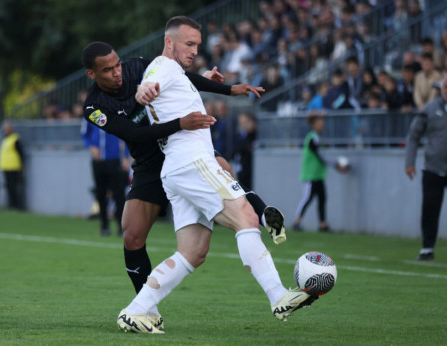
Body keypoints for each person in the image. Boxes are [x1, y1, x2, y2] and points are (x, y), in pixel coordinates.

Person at [117, 16, 317, 334]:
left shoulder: (176, 74)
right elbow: (150, 83)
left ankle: (135, 311)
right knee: (246, 217)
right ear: (169, 42)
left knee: (192, 252)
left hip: (177, 169)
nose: (195, 50)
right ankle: (279, 296)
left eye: (197, 44)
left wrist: (207, 80)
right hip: (194, 164)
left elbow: (170, 86)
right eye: (189, 43)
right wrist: (145, 90)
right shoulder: (161, 67)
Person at [82, 41, 286, 329]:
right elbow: (135, 135)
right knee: (132, 235)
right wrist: (181, 122)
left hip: (180, 148)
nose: (117, 72)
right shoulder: (94, 107)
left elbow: (179, 75)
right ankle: (146, 309)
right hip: (150, 163)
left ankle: (263, 214)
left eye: (117, 64)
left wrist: (228, 89)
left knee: (224, 170)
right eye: (108, 69)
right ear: (92, 74)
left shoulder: (139, 66)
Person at [405, 75, 447, 261]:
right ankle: (427, 248)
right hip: (433, 169)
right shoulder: (430, 108)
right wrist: (409, 162)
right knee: (430, 210)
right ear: (441, 88)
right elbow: (413, 135)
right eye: (446, 86)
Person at [292, 112, 346, 231]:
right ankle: (296, 222)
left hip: (318, 174)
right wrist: (337, 165)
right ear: (314, 124)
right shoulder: (313, 138)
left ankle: (323, 224)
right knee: (307, 198)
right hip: (310, 175)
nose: (323, 123)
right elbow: (321, 156)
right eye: (320, 121)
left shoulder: (317, 137)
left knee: (322, 198)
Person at [81, 120, 130, 236]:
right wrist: (91, 147)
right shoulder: (90, 112)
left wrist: (126, 157)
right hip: (98, 161)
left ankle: (121, 226)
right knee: (101, 194)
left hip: (114, 160)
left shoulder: (117, 112)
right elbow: (84, 134)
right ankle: (104, 226)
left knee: (119, 194)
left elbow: (127, 134)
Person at [0, 122, 25, 210]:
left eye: (7, 129)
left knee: (14, 187)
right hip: (6, 167)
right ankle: (11, 205)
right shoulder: (6, 139)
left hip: (14, 167)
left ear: (11, 129)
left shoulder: (15, 139)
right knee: (9, 187)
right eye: (4, 129)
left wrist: (22, 165)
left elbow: (21, 153)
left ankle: (16, 206)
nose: (5, 131)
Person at [233, 112, 257, 188]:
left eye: (245, 122)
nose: (243, 125)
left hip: (251, 173)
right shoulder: (242, 135)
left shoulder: (256, 135)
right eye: (241, 123)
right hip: (241, 172)